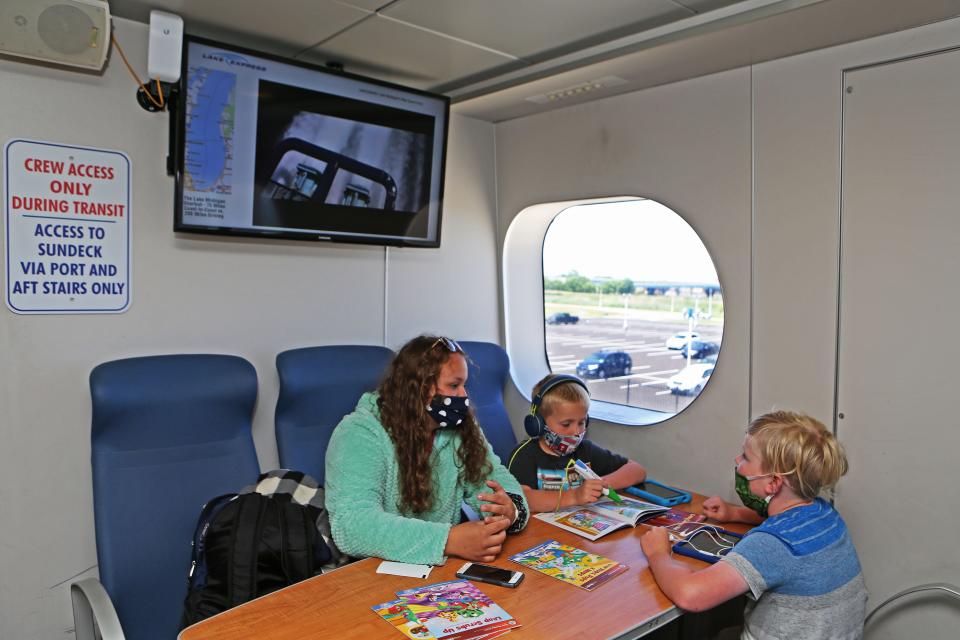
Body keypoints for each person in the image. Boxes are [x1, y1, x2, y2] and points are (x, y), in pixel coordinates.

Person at [640, 411, 867, 640]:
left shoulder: (772, 545)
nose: (737, 461)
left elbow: (691, 596)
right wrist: (735, 513)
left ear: (773, 483)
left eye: (746, 457)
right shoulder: (825, 514)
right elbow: (785, 523)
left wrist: (658, 553)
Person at [325, 335, 529, 565]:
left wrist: (510, 508)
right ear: (417, 389)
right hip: (372, 569)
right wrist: (448, 540)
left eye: (464, 385)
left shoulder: (460, 427)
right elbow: (353, 525)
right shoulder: (359, 432)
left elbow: (495, 477)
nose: (463, 396)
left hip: (441, 568)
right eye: (454, 385)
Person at [506, 373, 647, 512]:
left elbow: (637, 470)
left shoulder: (585, 450)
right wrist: (575, 496)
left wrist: (601, 484)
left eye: (582, 422)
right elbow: (524, 498)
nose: (576, 431)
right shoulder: (524, 456)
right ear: (538, 423)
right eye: (566, 424)